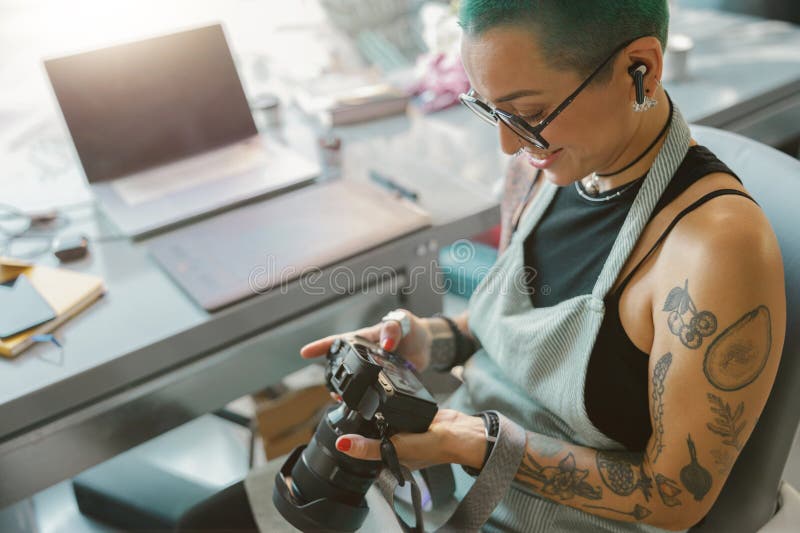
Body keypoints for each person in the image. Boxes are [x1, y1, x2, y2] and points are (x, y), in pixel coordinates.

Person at [178, 1, 786, 531]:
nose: (508, 145)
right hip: (456, 486)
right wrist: (426, 340)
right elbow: (510, 326)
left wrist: (468, 440)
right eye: (488, 107)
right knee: (206, 523)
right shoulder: (539, 165)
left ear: (641, 69)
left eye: (530, 111)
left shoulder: (713, 248)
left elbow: (675, 497)